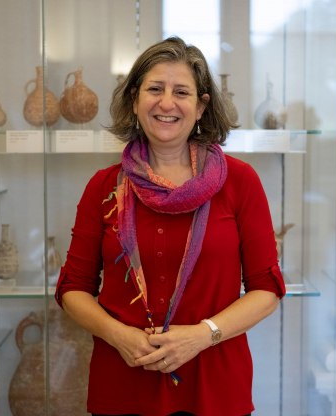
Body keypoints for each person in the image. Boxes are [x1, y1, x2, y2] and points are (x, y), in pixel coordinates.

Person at [55, 36, 286, 416]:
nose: (166, 103)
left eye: (182, 91)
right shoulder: (103, 186)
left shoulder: (240, 182)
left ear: (201, 107)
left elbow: (268, 289)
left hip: (214, 384)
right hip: (124, 379)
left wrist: (202, 335)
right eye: (155, 89)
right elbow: (72, 289)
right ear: (134, 99)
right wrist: (120, 337)